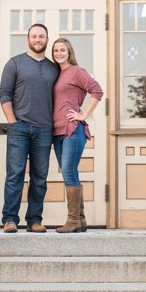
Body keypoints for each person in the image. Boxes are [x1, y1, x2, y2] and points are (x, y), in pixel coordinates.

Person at [0, 23, 59, 233]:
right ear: (28, 39)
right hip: (19, 128)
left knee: (39, 177)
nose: (37, 40)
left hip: (44, 129)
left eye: (41, 36)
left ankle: (34, 220)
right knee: (14, 174)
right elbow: (4, 94)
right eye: (34, 36)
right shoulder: (15, 63)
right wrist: (12, 121)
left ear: (47, 39)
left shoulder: (54, 68)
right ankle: (10, 219)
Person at [51, 37, 103, 234]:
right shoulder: (58, 74)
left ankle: (72, 220)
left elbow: (97, 90)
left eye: (62, 50)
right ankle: (80, 220)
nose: (58, 53)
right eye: (55, 50)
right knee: (70, 172)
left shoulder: (76, 71)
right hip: (56, 131)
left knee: (69, 172)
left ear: (69, 51)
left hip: (72, 129)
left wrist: (83, 115)